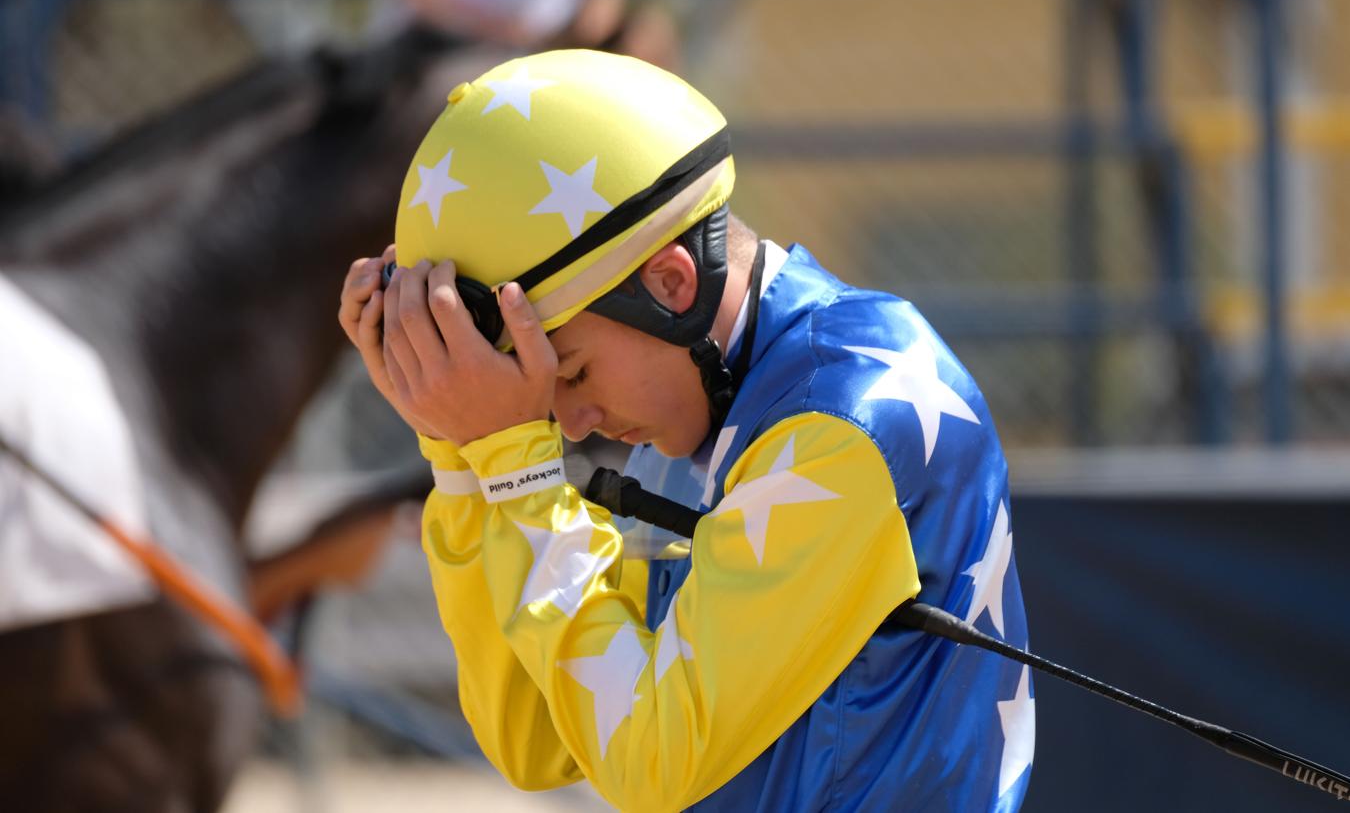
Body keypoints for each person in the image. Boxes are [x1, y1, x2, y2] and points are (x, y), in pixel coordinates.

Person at [337, 49, 1034, 811]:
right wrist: (462, 453)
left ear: (670, 283)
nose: (571, 421)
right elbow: (538, 738)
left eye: (569, 372)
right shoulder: (702, 412)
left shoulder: (840, 428)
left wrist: (517, 473)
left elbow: (651, 763)